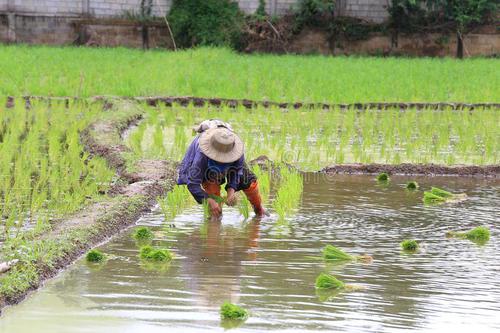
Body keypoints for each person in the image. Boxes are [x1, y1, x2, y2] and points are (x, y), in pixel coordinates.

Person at [177, 120, 266, 217]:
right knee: (214, 203)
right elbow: (193, 184)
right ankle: (215, 219)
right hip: (208, 167)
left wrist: (231, 192)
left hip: (231, 163)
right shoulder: (202, 155)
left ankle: (259, 210)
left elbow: (237, 171)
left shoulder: (236, 151)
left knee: (248, 181)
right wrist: (209, 201)